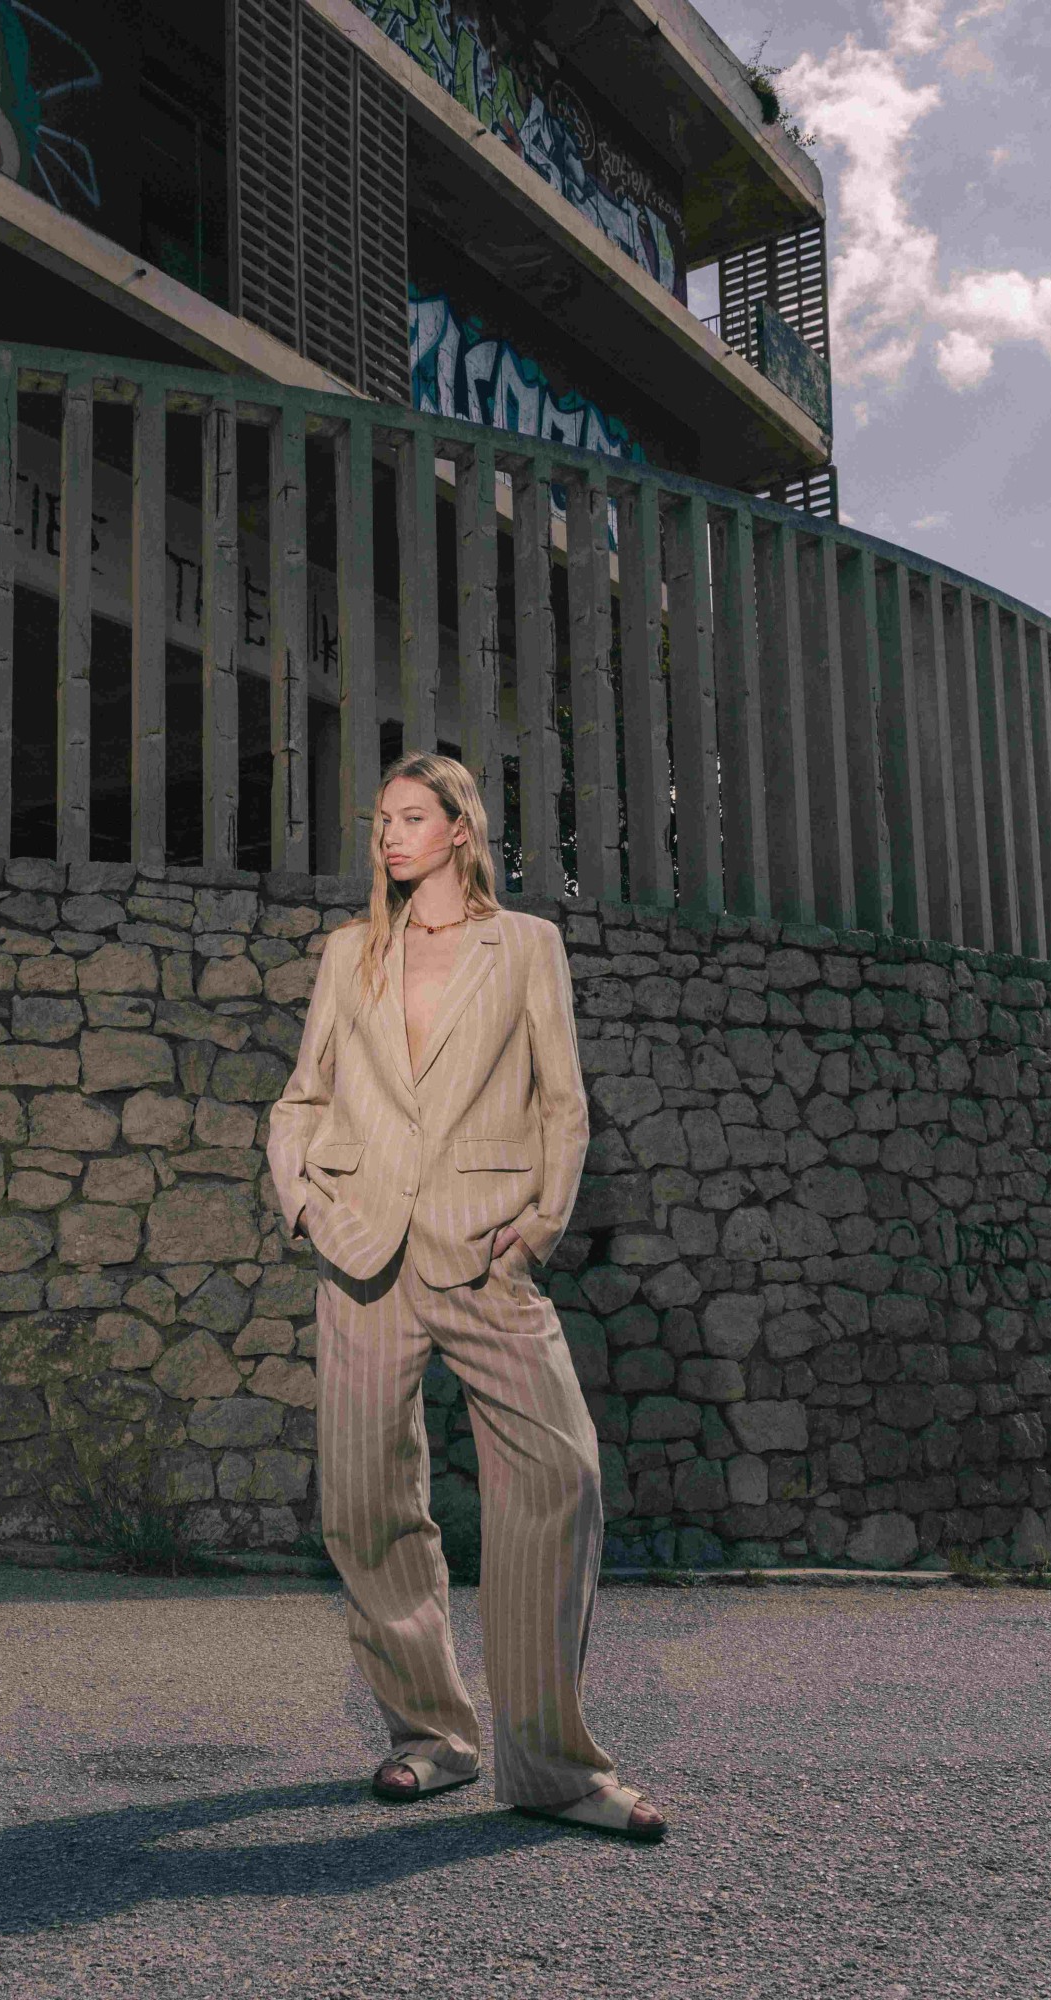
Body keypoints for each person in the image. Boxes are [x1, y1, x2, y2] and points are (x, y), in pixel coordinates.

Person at [266, 752, 665, 1842]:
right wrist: (303, 1207)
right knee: (362, 1504)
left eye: (411, 816)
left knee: (560, 1473)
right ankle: (433, 1734)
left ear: (458, 828)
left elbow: (561, 1102)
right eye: (381, 818)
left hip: (485, 1249)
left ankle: (550, 1767)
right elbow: (301, 1096)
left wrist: (537, 1225)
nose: (389, 833)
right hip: (360, 1249)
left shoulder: (525, 944)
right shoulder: (349, 950)